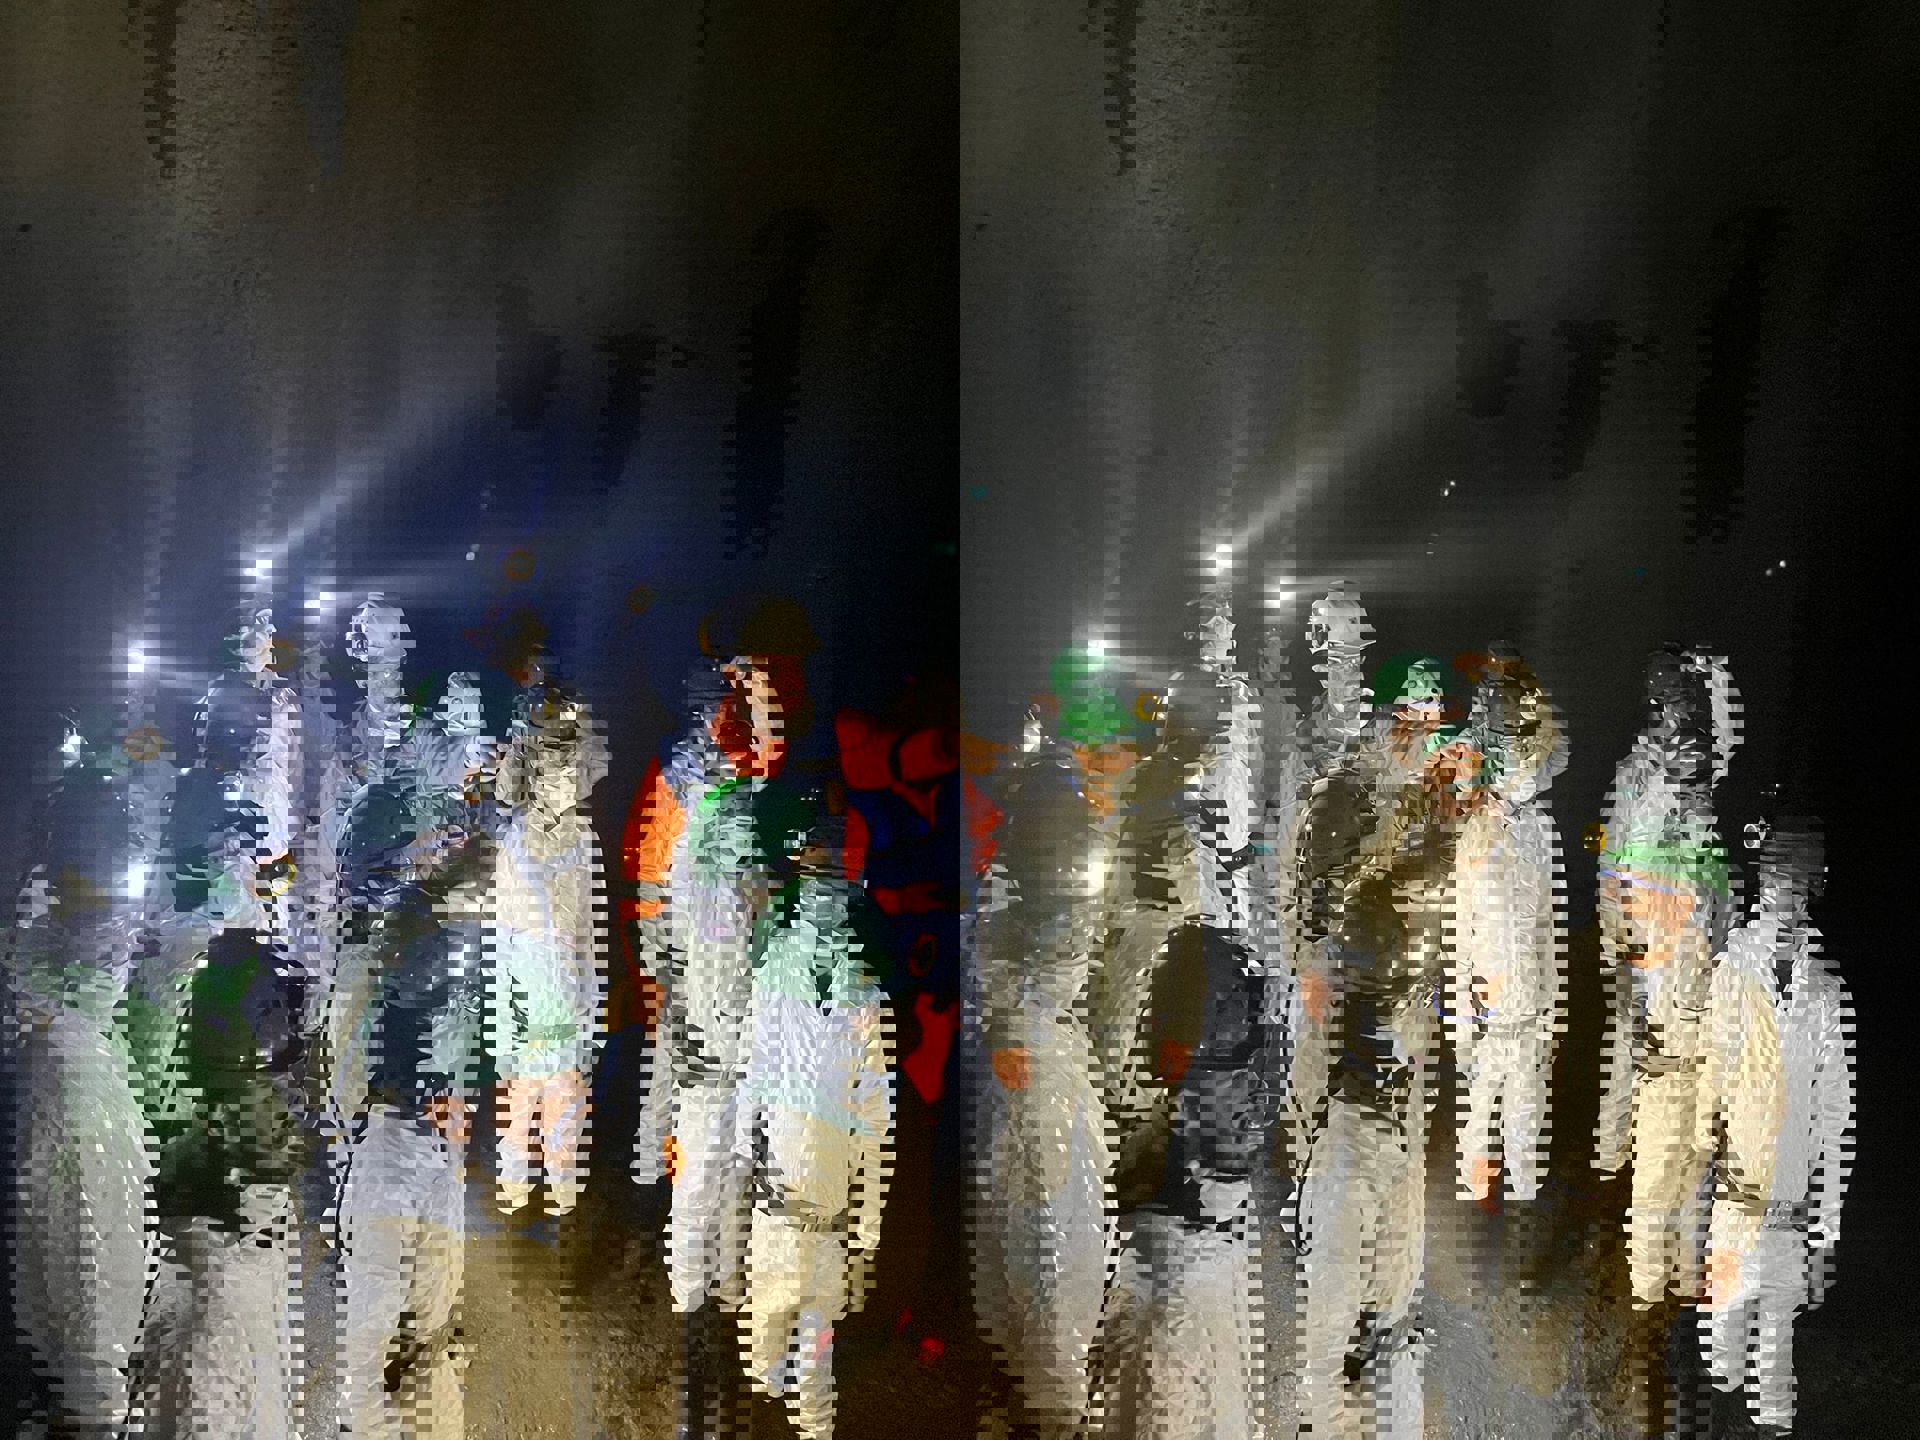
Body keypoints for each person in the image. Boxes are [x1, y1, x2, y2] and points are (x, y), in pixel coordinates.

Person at [1290, 726, 1479, 1440]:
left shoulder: (1448, 887)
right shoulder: (1374, 884)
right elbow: (1330, 998)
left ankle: (1371, 1353)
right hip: (1355, 1110)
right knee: (1340, 1273)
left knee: (1393, 1272)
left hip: (1398, 1110)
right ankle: (1326, 1406)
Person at [5, 727, 168, 1435]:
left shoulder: (85, 933)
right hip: (73, 1083)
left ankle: (93, 1405)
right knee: (73, 1235)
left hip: (75, 1091)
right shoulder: (65, 924)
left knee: (82, 1235)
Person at [968, 729, 1126, 1437]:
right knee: (1056, 1217)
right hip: (1041, 1045)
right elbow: (1020, 938)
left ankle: (1028, 1369)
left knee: (1028, 1205)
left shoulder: (1058, 816)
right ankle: (1054, 1397)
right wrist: (1013, 1024)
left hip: (1042, 1041)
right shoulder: (1061, 822)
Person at [731, 805, 893, 1440]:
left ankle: (812, 1420)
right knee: (763, 1344)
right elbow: (752, 1073)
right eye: (817, 877)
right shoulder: (774, 979)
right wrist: (740, 1167)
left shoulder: (865, 998)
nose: (826, 895)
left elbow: (876, 1119)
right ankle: (767, 1393)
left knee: (815, 1357)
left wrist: (868, 1226)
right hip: (774, 1202)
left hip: (827, 1212)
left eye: (837, 880)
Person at [1695, 821, 1852, 1433]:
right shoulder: (1733, 971)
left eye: (1797, 884)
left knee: (1774, 1375)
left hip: (1790, 1214)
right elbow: (1708, 1080)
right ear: (1762, 882)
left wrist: (1825, 1236)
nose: (1785, 896)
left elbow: (1836, 1117)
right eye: (1777, 880)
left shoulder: (1826, 994)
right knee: (1722, 1358)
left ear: (1811, 890)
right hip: (1731, 1208)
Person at [1596, 647, 1739, 1310]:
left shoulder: (1702, 787)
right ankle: (1616, 1181)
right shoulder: (1638, 773)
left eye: (1683, 693)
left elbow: (1718, 891)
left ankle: (1676, 1240)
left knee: (1686, 1091)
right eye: (1666, 693)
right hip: (1649, 934)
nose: (1676, 705)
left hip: (1693, 951)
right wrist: (1619, 937)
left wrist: (1717, 674)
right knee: (1636, 1063)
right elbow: (1618, 856)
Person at [488, 672, 607, 1216]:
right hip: (525, 995)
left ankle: (562, 1193)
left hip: (565, 997)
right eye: (554, 767)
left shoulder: (583, 840)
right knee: (520, 1103)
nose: (564, 779)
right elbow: (501, 937)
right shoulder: (515, 839)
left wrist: (591, 1023)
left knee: (564, 1102)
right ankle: (515, 1190)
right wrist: (503, 1032)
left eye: (569, 768)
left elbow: (591, 935)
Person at [1451, 648, 1568, 1203]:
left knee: (1525, 1128)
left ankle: (1522, 1208)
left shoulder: (1541, 831)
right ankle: (1476, 1208)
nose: (1517, 758)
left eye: (1523, 742)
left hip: (1528, 1015)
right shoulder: (1472, 831)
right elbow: (1458, 928)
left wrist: (1551, 1016)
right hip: (1485, 1016)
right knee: (1476, 1127)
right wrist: (1460, 1022)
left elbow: (1548, 927)